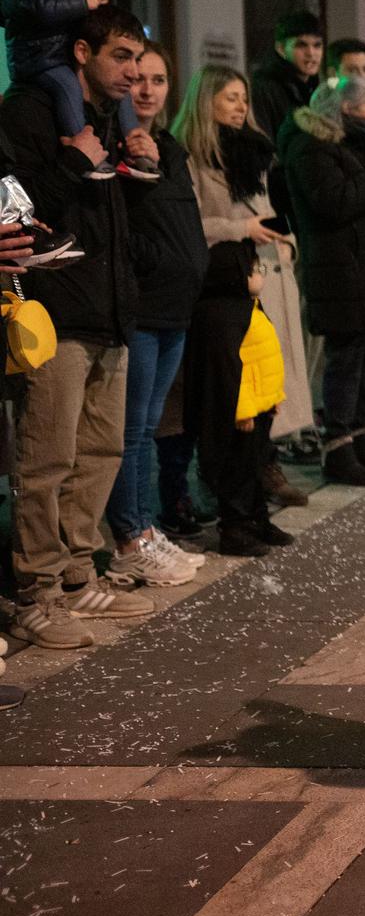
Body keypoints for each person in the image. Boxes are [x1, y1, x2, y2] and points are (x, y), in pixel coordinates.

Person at [0, 5, 157, 648]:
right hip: (57, 310)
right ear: (83, 53)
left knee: (99, 453)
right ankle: (32, 592)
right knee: (45, 460)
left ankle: (75, 574)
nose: (133, 72)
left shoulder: (107, 119)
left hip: (107, 309)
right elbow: (20, 205)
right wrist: (75, 161)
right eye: (120, 56)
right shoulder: (33, 109)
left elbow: (107, 218)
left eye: (138, 59)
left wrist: (137, 161)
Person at [175, 64, 316, 512]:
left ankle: (265, 465)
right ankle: (232, 480)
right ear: (206, 100)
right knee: (239, 387)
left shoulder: (257, 150)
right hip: (228, 280)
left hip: (271, 272)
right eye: (231, 97)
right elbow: (192, 223)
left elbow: (277, 210)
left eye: (244, 98)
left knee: (274, 381)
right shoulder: (192, 156)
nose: (240, 107)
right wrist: (242, 229)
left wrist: (288, 244)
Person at [102, 43, 209, 586]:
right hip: (142, 307)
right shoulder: (113, 146)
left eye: (159, 79)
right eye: (138, 78)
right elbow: (123, 230)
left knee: (149, 427)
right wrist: (156, 264)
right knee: (133, 430)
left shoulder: (169, 146)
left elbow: (185, 224)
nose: (147, 89)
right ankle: (130, 537)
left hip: (176, 308)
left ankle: (145, 528)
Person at [278, 73, 365, 487]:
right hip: (340, 273)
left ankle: (363, 438)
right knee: (345, 363)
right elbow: (334, 202)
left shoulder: (353, 145)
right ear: (345, 109)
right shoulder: (310, 147)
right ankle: (338, 449)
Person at [0, 0, 154, 181]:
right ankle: (79, 145)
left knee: (119, 94)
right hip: (39, 59)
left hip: (63, 53)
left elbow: (97, 18)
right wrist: (85, 1)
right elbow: (39, 9)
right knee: (68, 85)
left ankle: (134, 145)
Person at [184, 241, 293, 557]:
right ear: (232, 275)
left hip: (259, 409)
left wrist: (273, 398)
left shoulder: (248, 305)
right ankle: (236, 530)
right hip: (238, 415)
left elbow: (263, 359)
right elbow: (227, 374)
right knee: (237, 476)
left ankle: (258, 521)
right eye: (254, 270)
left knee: (255, 469)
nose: (261, 275)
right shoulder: (220, 315)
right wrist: (241, 412)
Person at [249, 9, 325, 219]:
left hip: (308, 193)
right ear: (281, 48)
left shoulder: (317, 90)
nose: (311, 53)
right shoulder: (264, 87)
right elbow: (266, 147)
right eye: (302, 45)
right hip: (284, 198)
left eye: (317, 45)